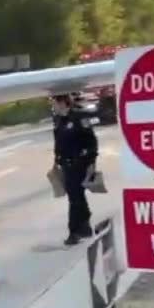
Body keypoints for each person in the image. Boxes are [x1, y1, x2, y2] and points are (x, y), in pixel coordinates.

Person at [49, 93, 98, 246]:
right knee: (77, 197)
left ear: (63, 102)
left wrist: (91, 161)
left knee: (75, 198)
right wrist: (56, 160)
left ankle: (74, 232)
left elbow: (91, 141)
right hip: (65, 165)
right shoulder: (58, 120)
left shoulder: (78, 118)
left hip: (79, 164)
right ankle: (85, 226)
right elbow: (59, 143)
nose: (53, 106)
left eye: (55, 103)